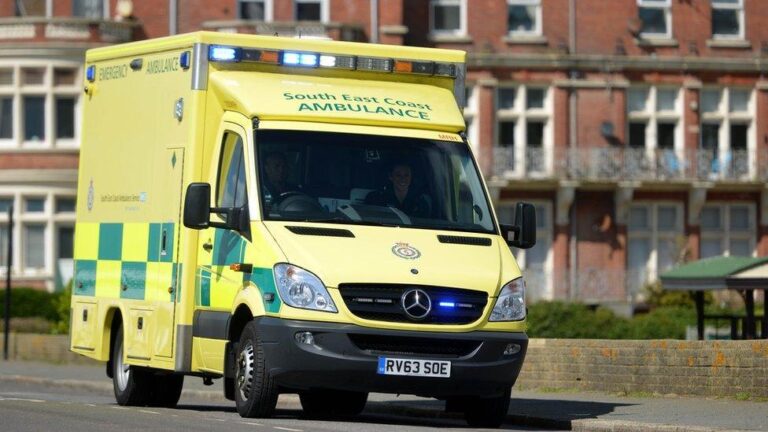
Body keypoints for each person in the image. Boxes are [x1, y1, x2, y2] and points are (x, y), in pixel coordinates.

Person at [366, 161, 432, 218]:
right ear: (391, 177)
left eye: (406, 175)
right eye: (398, 175)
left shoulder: (421, 201)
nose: (403, 179)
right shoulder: (377, 198)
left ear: (411, 177)